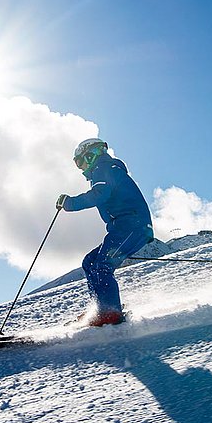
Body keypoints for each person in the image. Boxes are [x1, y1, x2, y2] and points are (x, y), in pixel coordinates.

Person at [56, 138, 154, 327]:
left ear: (91, 154)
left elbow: (100, 194)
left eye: (80, 161)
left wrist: (70, 203)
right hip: (126, 226)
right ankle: (101, 308)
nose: (80, 167)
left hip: (132, 225)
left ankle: (110, 313)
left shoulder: (104, 168)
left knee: (102, 265)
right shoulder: (105, 170)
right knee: (90, 262)